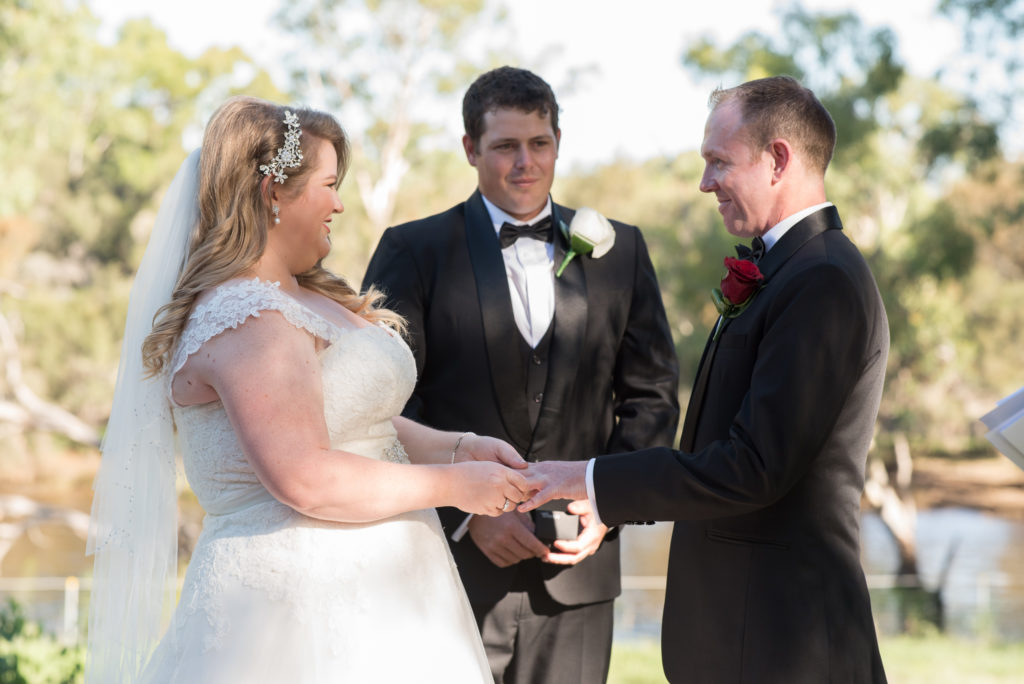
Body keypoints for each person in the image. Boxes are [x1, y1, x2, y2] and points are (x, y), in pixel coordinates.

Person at [85, 96, 537, 684]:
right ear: (274, 191)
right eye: (328, 184)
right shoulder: (245, 314)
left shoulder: (304, 297)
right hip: (294, 608)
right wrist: (456, 486)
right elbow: (304, 475)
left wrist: (458, 447)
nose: (339, 203)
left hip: (396, 593)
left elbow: (352, 420)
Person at [520, 75, 890, 683]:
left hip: (785, 645)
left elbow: (753, 467)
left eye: (720, 161)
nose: (705, 182)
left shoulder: (823, 279)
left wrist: (590, 478)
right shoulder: (786, 271)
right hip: (744, 640)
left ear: (778, 159)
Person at [361, 66, 679, 684]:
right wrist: (465, 510)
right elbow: (380, 404)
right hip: (449, 565)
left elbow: (652, 395)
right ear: (470, 149)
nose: (524, 163)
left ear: (558, 142)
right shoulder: (414, 250)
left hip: (579, 573)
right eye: (505, 146)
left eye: (540, 144)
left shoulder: (623, 252)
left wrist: (608, 502)